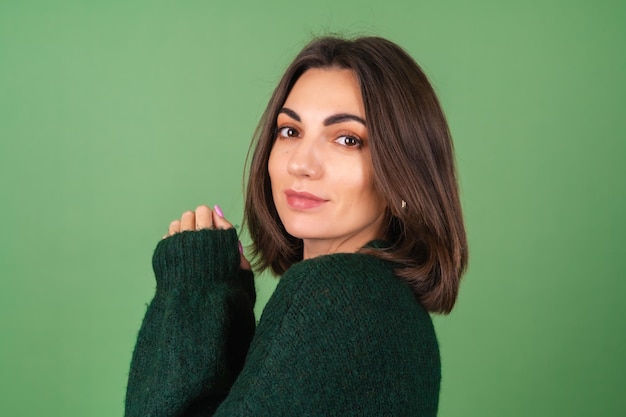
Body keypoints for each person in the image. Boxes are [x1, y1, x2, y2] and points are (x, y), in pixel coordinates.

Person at [125, 35, 468, 417]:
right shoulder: (396, 308)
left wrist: (190, 291)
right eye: (290, 131)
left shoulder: (332, 292)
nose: (301, 163)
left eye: (347, 139)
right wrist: (226, 308)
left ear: (404, 171)